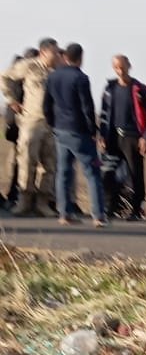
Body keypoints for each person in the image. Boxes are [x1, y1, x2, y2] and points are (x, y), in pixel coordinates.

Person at [43, 42, 107, 228]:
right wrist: (92, 131)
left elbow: (46, 105)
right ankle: (98, 215)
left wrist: (52, 123)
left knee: (63, 172)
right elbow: (87, 107)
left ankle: (65, 213)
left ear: (65, 57)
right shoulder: (81, 78)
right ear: (81, 58)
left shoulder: (53, 77)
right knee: (92, 172)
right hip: (79, 131)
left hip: (60, 130)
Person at [0, 40, 60, 216]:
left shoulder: (57, 72)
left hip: (51, 123)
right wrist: (12, 100)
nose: (57, 56)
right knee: (27, 160)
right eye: (54, 53)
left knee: (49, 165)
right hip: (31, 121)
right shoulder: (29, 66)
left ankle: (43, 203)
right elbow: (5, 77)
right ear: (44, 52)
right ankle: (24, 201)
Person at [99, 55, 146, 220]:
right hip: (113, 138)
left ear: (129, 66)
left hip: (133, 138)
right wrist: (102, 135)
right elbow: (104, 115)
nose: (120, 71)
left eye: (122, 67)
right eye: (116, 68)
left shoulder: (140, 89)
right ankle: (110, 208)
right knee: (107, 173)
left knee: (135, 175)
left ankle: (136, 210)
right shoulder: (109, 89)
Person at [1, 48, 38, 210]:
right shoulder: (21, 79)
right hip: (20, 126)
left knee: (18, 161)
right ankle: (16, 195)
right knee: (20, 162)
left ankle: (15, 195)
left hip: (16, 127)